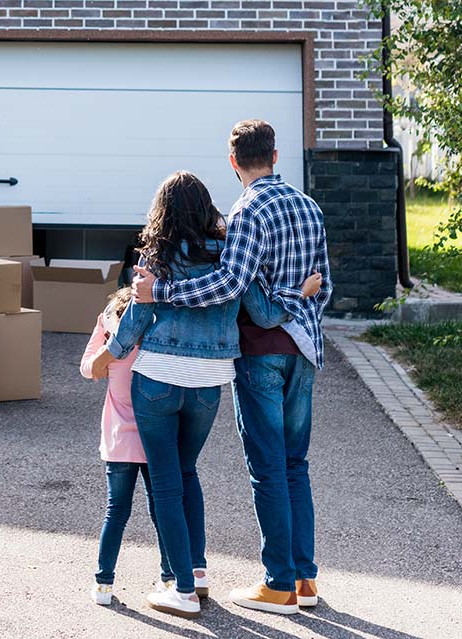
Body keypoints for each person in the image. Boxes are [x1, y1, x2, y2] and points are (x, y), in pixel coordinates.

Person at [90, 171, 322, 619]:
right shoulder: (230, 254)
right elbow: (266, 313)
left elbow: (137, 317)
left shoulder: (156, 257)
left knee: (166, 483)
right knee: (187, 472)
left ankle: (182, 591)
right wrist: (300, 290)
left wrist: (108, 354)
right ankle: (195, 571)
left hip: (157, 379)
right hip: (208, 385)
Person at [79, 288, 173, 607]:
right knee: (161, 509)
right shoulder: (153, 338)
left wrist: (104, 325)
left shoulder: (111, 340)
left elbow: (88, 368)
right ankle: (169, 576)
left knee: (115, 512)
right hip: (153, 436)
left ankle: (103, 583)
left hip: (119, 439)